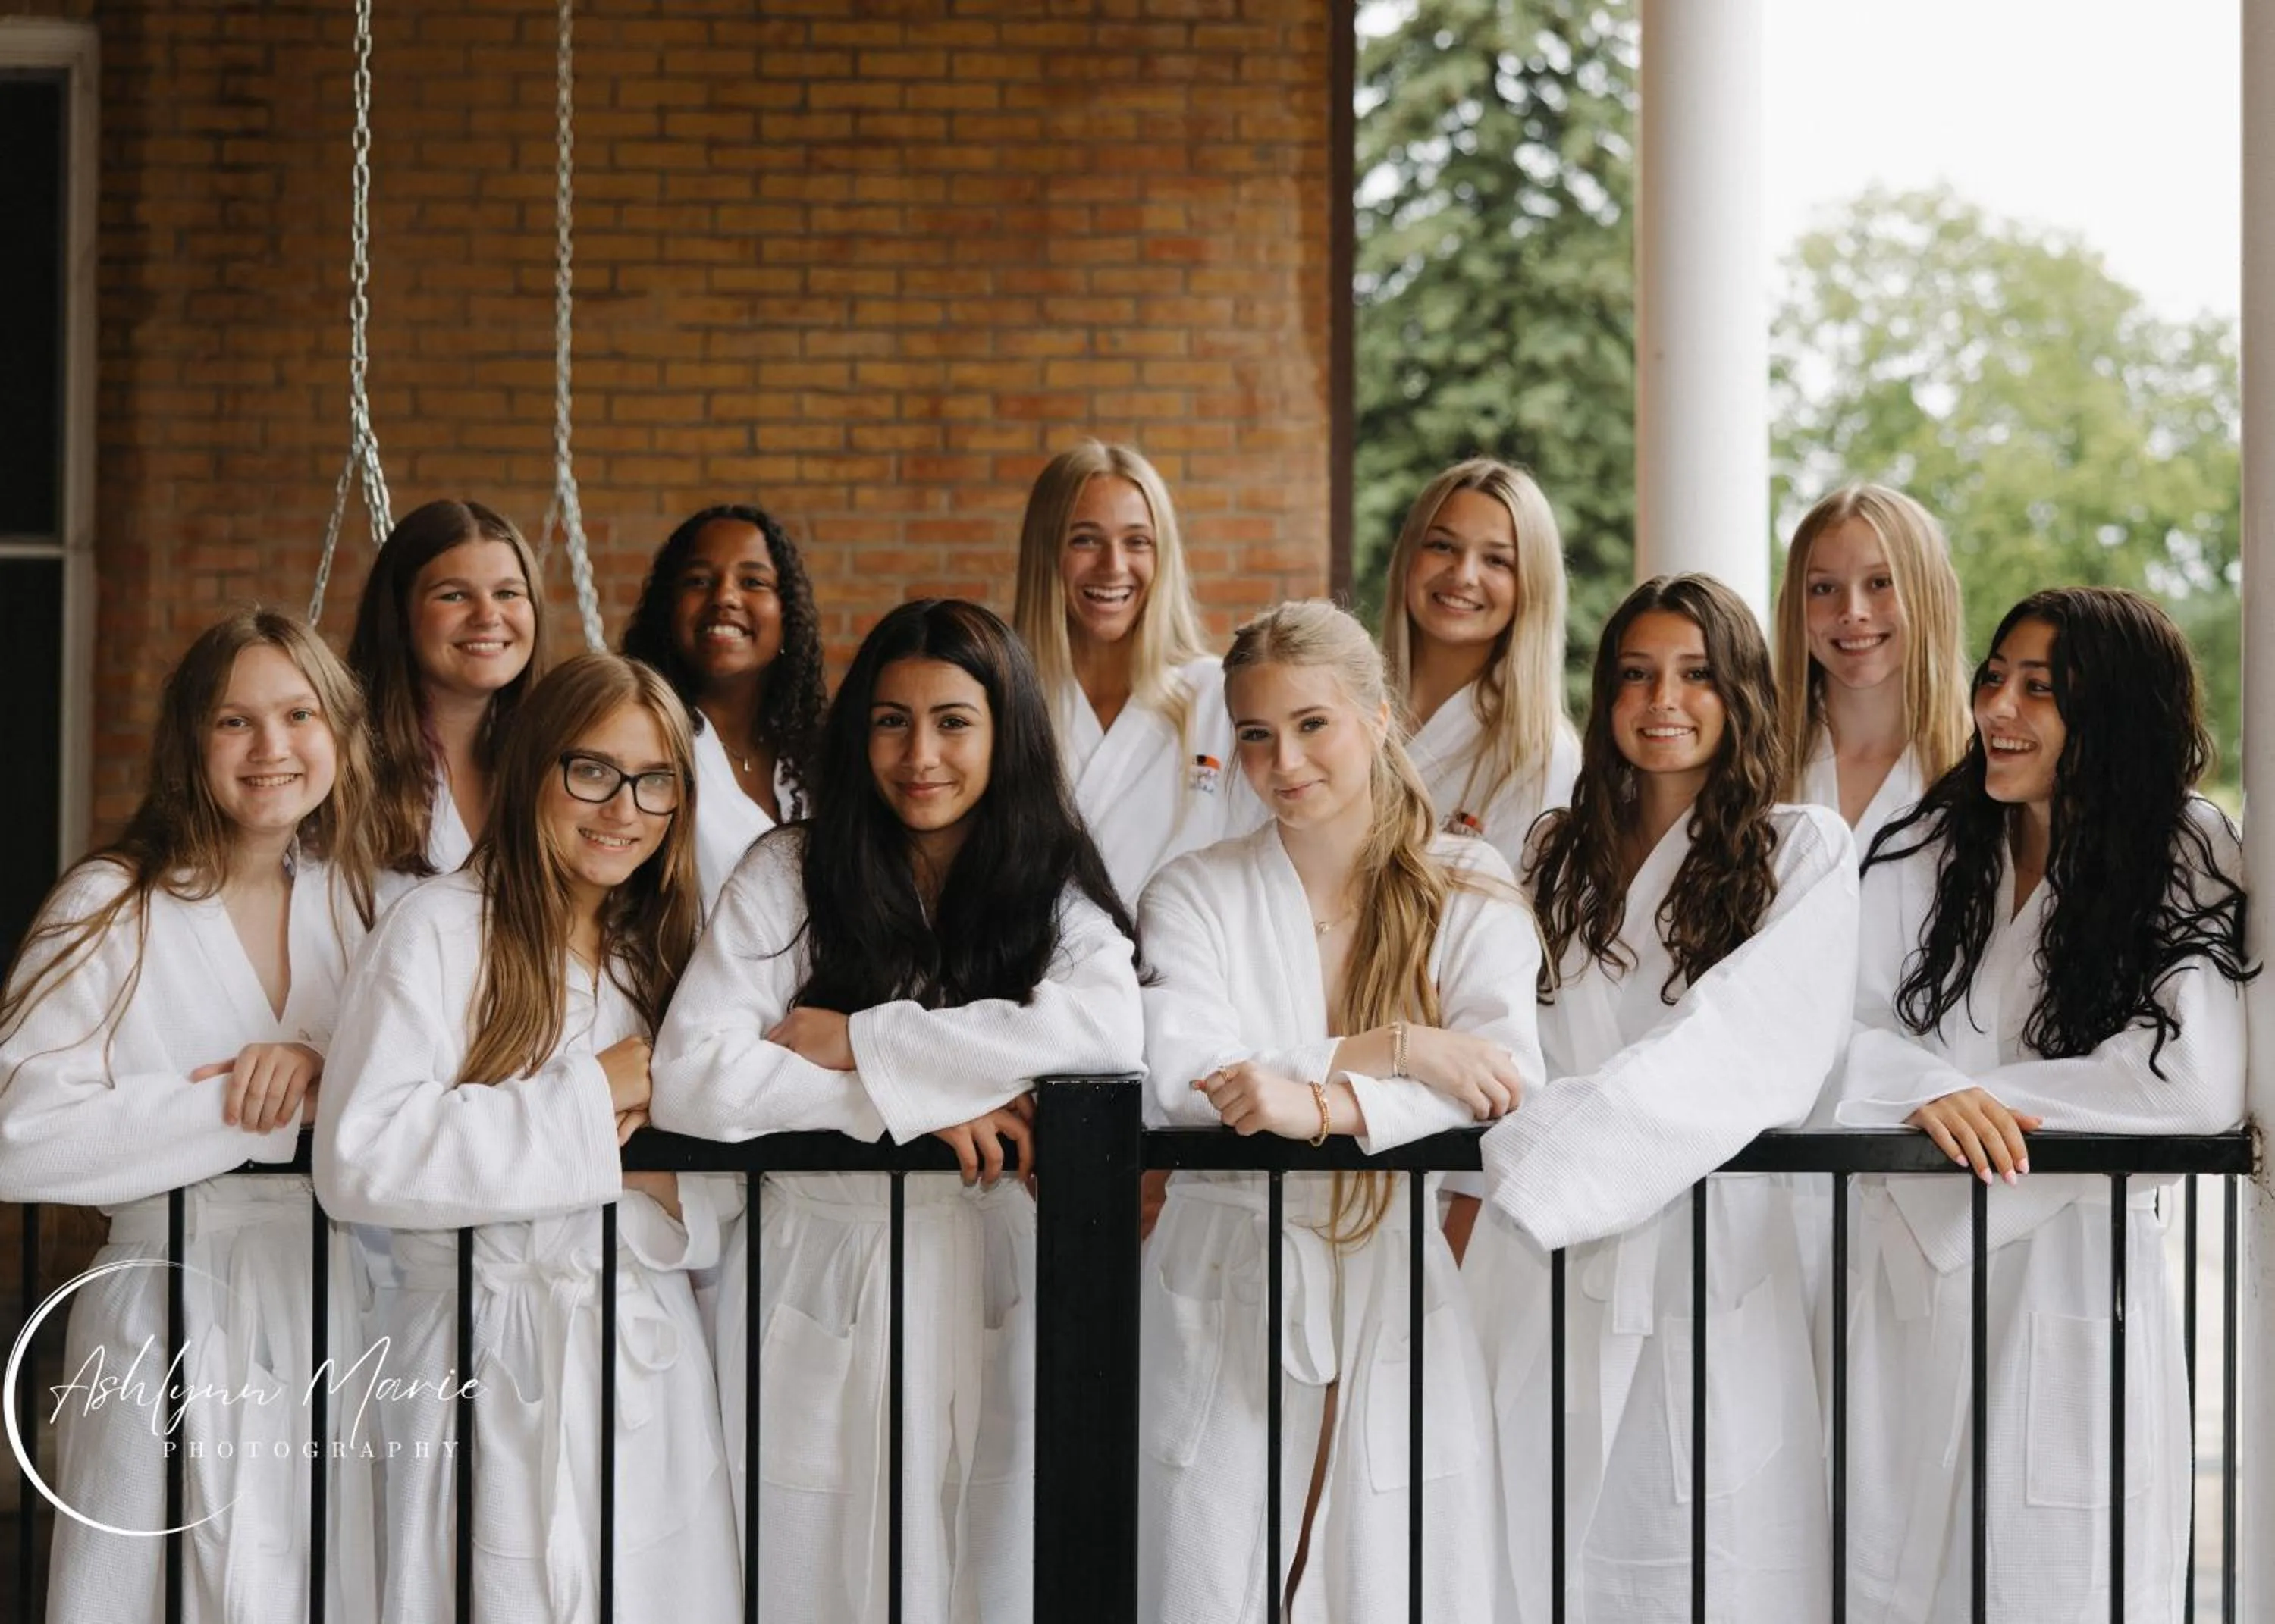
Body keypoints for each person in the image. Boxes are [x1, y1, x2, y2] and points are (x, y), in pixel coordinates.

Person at [651, 598, 1144, 1624]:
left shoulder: (1046, 880)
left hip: (990, 1266)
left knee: (989, 1569)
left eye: (954, 722)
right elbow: (695, 1071)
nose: (920, 754)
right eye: (891, 720)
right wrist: (903, 1106)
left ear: (1006, 733)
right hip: (819, 1270)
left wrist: (865, 1039)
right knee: (813, 1573)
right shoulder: (790, 869)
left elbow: (1102, 1031)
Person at [1836, 588, 2251, 1624]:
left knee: (2059, 1582)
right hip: (1903, 1283)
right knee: (1894, 1583)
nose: (1997, 709)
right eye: (1994, 678)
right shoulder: (1933, 846)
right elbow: (1830, 1030)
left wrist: (1967, 1103)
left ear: (2110, 710)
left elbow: (2192, 1079)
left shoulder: (2183, 845)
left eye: (2040, 689)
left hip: (2071, 1286)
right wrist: (1927, 1091)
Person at [1136, 600, 1543, 1623]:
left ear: (1378, 716)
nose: (1284, 761)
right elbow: (1188, 1075)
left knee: (1397, 1577)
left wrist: (1311, 1102)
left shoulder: (1466, 885)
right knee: (1209, 1575)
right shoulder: (1192, 892)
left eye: (1312, 723)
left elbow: (1503, 1078)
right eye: (1256, 734)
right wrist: (1400, 1050)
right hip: (1221, 1271)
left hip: (1391, 1272)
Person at [314, 653, 739, 1624]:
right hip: (480, 1353)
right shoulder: (435, 930)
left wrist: (665, 1180)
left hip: (641, 1356)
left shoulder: (664, 950)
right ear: (534, 767)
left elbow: (717, 1162)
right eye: (592, 771)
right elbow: (361, 1157)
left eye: (655, 782)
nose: (623, 808)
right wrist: (589, 1102)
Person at [1468, 574, 1861, 1622]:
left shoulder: (1801, 847)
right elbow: (1501, 1028)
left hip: (1706, 1253)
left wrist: (1548, 1159)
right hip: (1544, 1264)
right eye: (1636, 675)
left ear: (1742, 692)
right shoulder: (1551, 854)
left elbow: (1749, 1040)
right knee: (1533, 1546)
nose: (1663, 701)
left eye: (1696, 675)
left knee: (1709, 1558)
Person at [0, 608, 382, 1623]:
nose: (271, 747)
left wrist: (320, 1069)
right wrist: (241, 1106)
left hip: (330, 1305)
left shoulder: (360, 906)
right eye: (234, 721)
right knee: (141, 1592)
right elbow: (16, 1134)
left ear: (338, 734)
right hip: (158, 1306)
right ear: (189, 742)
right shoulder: (109, 903)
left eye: (299, 715)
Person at [1010, 439, 1266, 910]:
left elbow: (1267, 857)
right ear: (1045, 551)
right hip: (1036, 956)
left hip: (1191, 954)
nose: (1113, 566)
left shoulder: (1220, 695)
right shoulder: (1004, 697)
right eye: (1084, 539)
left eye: (1137, 542)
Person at [620, 503, 827, 911]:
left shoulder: (815, 754)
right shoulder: (639, 737)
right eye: (698, 581)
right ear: (668, 608)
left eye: (753, 581)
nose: (725, 597)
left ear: (788, 613)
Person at [1379, 457, 1579, 867]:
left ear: (1531, 586)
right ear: (1408, 556)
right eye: (1442, 546)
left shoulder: (1541, 753)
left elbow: (1516, 903)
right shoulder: (1343, 705)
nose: (1464, 575)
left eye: (1497, 560)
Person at [347, 497, 551, 884]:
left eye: (507, 593)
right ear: (399, 616)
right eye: (454, 595)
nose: (487, 616)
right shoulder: (346, 763)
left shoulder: (550, 760)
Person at [1774, 483, 1969, 857]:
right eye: (1823, 588)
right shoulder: (1753, 769)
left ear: (1931, 595)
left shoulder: (1983, 771)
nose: (1853, 611)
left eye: (1881, 583)